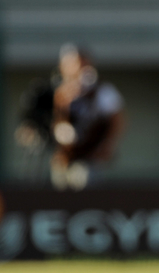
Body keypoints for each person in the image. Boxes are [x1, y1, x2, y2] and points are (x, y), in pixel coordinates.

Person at [50, 44, 125, 190]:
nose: (78, 68)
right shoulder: (59, 92)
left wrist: (107, 145)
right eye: (72, 63)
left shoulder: (102, 91)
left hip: (90, 156)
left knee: (86, 190)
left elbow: (118, 119)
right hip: (65, 157)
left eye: (81, 63)